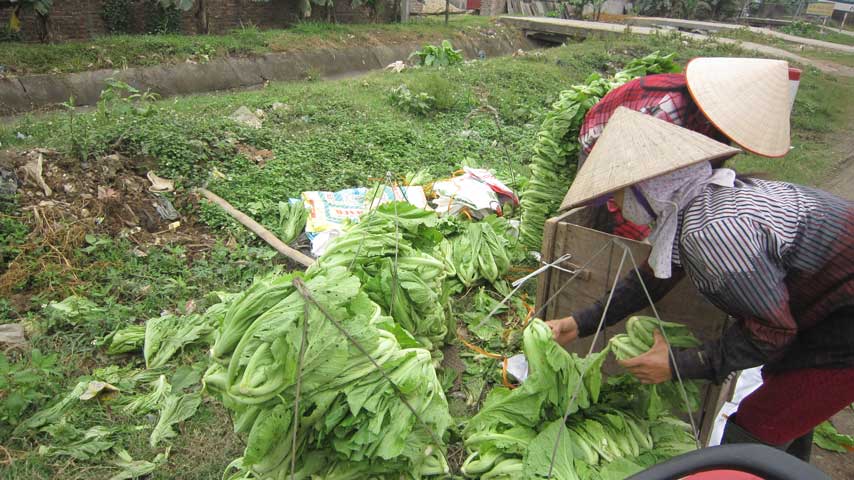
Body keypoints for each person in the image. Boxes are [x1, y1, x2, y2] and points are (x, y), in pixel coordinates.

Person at [548, 107, 854, 462]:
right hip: (829, 307)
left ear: (649, 188)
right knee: (787, 398)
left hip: (845, 326)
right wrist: (578, 323)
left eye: (615, 195)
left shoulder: (711, 231)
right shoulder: (697, 200)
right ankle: (788, 469)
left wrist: (679, 364)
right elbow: (651, 281)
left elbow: (773, 332)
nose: (613, 208)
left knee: (759, 424)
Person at [576, 57, 799, 241]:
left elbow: (698, 178)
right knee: (611, 212)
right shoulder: (669, 109)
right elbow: (628, 175)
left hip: (649, 139)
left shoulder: (712, 122)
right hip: (604, 138)